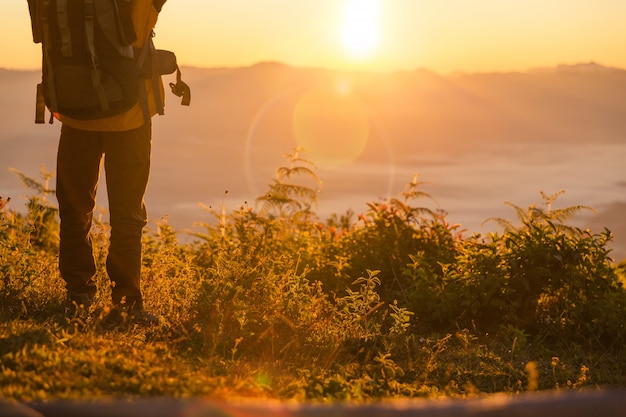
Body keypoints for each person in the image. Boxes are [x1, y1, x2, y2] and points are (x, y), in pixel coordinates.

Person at [53, 0, 169, 323]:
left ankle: (78, 296)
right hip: (130, 115)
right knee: (127, 214)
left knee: (74, 209)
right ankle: (128, 304)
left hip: (75, 111)